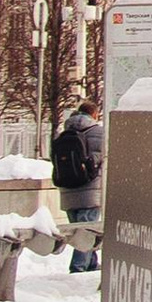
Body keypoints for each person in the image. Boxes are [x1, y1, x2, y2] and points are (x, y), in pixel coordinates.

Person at [50, 96, 105, 276]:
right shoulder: (98, 131)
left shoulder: (63, 132)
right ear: (94, 114)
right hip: (89, 190)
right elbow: (101, 158)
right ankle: (78, 268)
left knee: (78, 229)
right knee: (87, 231)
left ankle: (90, 263)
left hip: (67, 190)